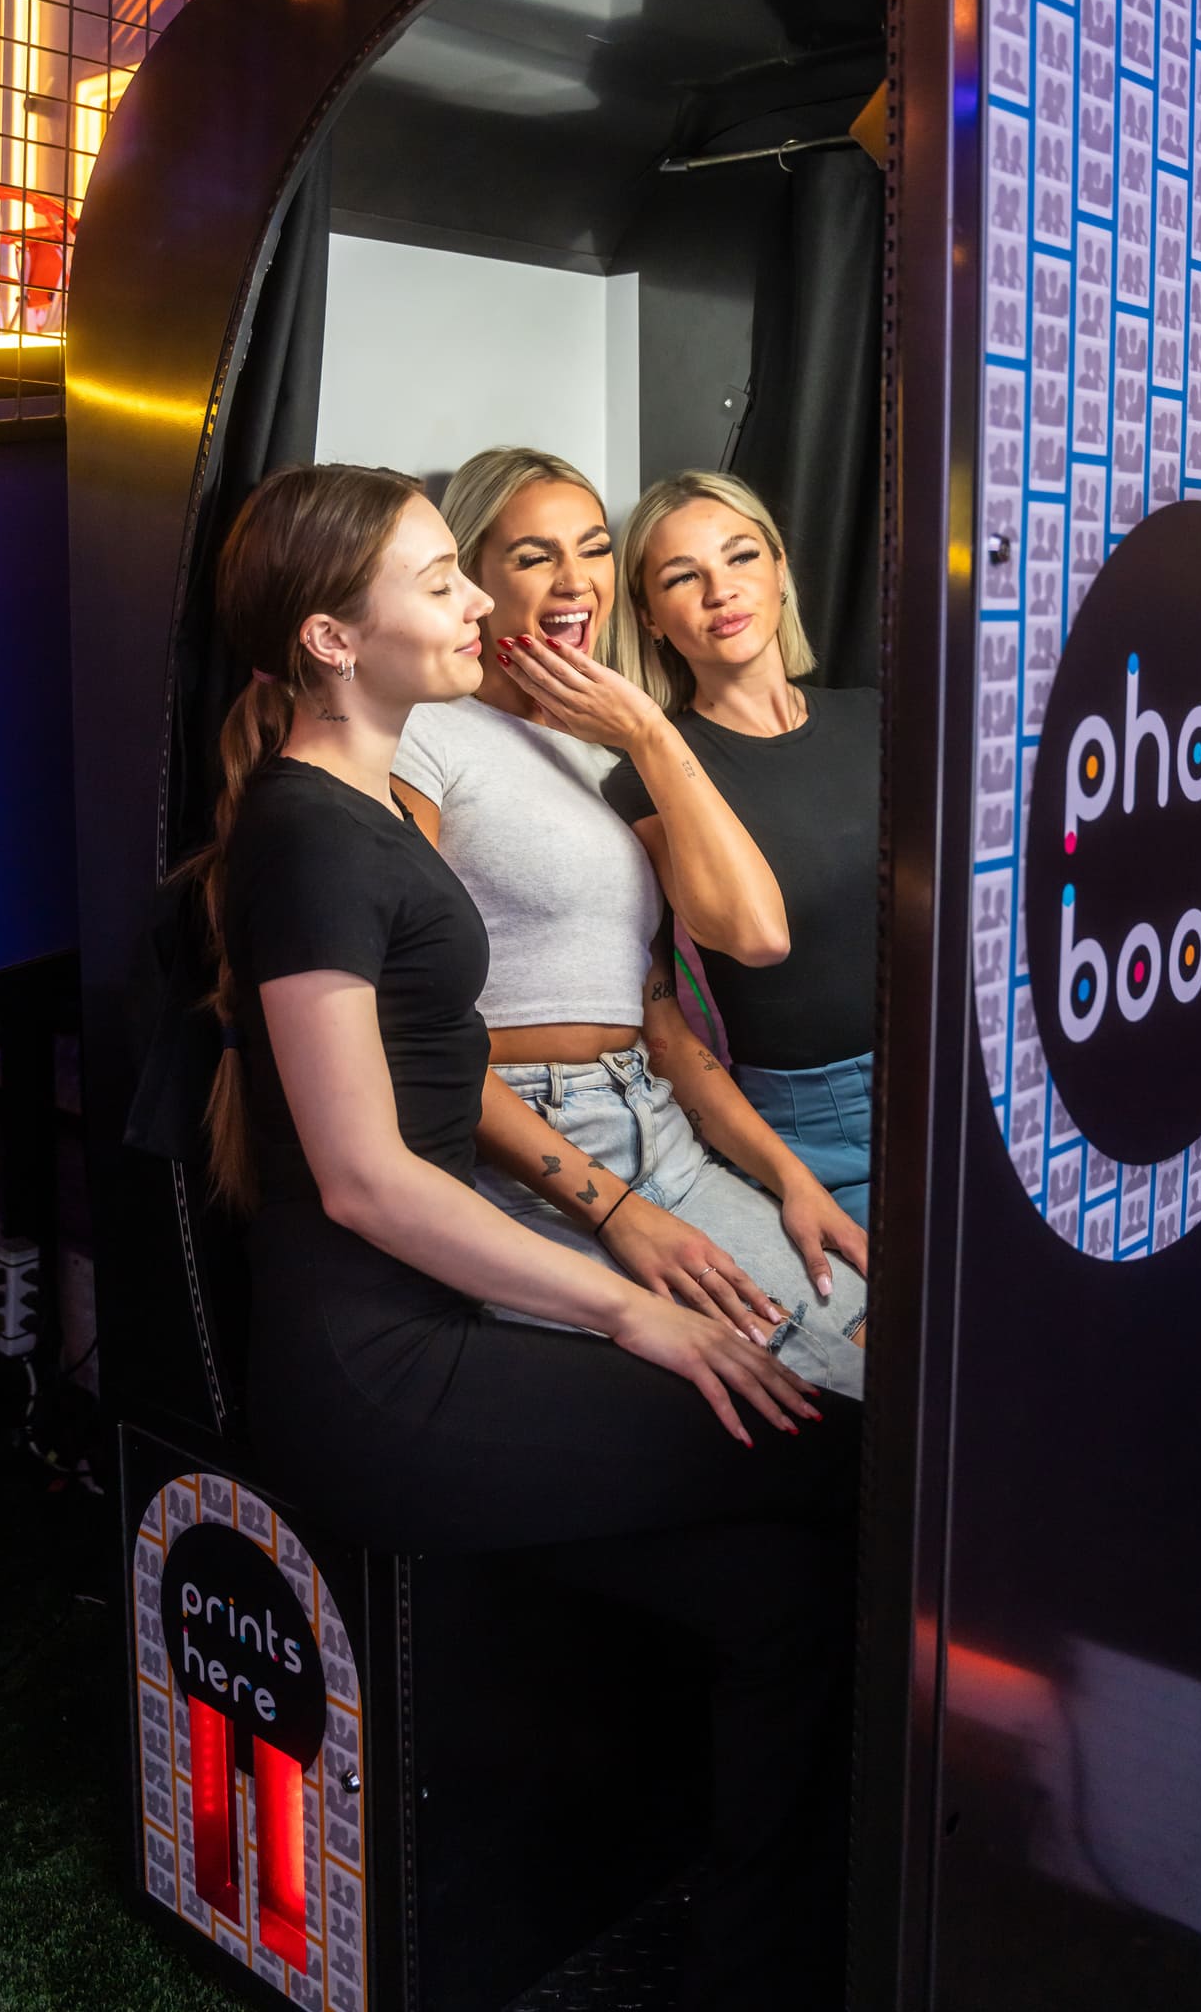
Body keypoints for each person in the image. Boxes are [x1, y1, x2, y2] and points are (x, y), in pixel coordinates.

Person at [195, 459, 858, 2009]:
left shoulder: (365, 808)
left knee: (788, 1589)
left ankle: (767, 1956)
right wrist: (634, 1299)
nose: (484, 603)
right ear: (332, 640)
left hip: (427, 1329)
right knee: (833, 1454)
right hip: (380, 1373)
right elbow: (365, 1180)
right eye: (446, 580)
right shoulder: (306, 833)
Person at [390, 447, 866, 1394]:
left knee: (871, 1357)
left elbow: (660, 1019)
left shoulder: (593, 747)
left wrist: (787, 1178)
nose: (574, 583)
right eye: (532, 557)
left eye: (593, 549)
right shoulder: (424, 732)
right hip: (534, 1137)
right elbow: (410, 1033)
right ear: (474, 580)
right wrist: (610, 1210)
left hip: (657, 1118)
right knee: (793, 1391)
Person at [607, 469, 879, 1256]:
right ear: (650, 617)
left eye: (741, 557)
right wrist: (789, 1173)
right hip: (811, 1128)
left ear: (781, 569)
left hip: (958, 1077)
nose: (720, 590)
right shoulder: (646, 775)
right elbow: (734, 951)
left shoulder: (881, 717)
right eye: (682, 576)